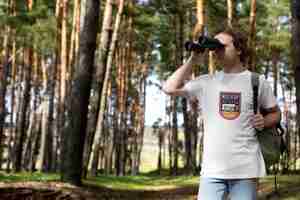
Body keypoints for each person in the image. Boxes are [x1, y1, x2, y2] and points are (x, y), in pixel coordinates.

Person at [162, 27, 281, 200]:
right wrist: (193, 59)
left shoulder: (256, 81)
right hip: (211, 171)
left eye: (221, 46)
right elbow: (169, 88)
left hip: (245, 169)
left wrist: (264, 120)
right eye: (214, 47)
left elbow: (276, 114)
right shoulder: (205, 82)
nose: (216, 51)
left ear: (239, 49)